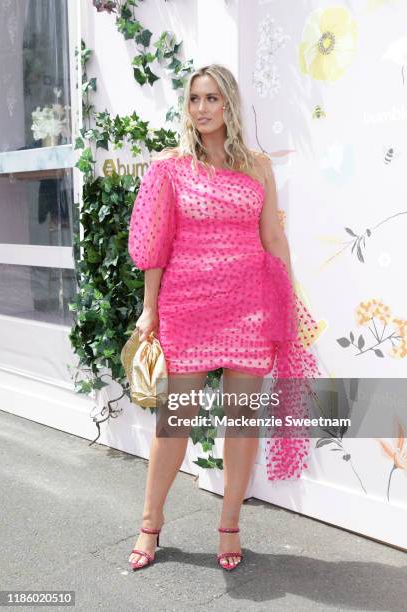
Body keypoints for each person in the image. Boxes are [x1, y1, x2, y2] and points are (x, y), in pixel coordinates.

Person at [127, 64, 319, 572]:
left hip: (250, 304)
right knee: (176, 420)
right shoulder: (170, 167)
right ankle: (150, 521)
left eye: (212, 98)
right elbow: (155, 245)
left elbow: (273, 238)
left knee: (242, 418)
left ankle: (230, 522)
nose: (202, 108)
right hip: (187, 304)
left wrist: (287, 302)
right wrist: (150, 309)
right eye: (194, 99)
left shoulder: (258, 165)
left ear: (229, 104)